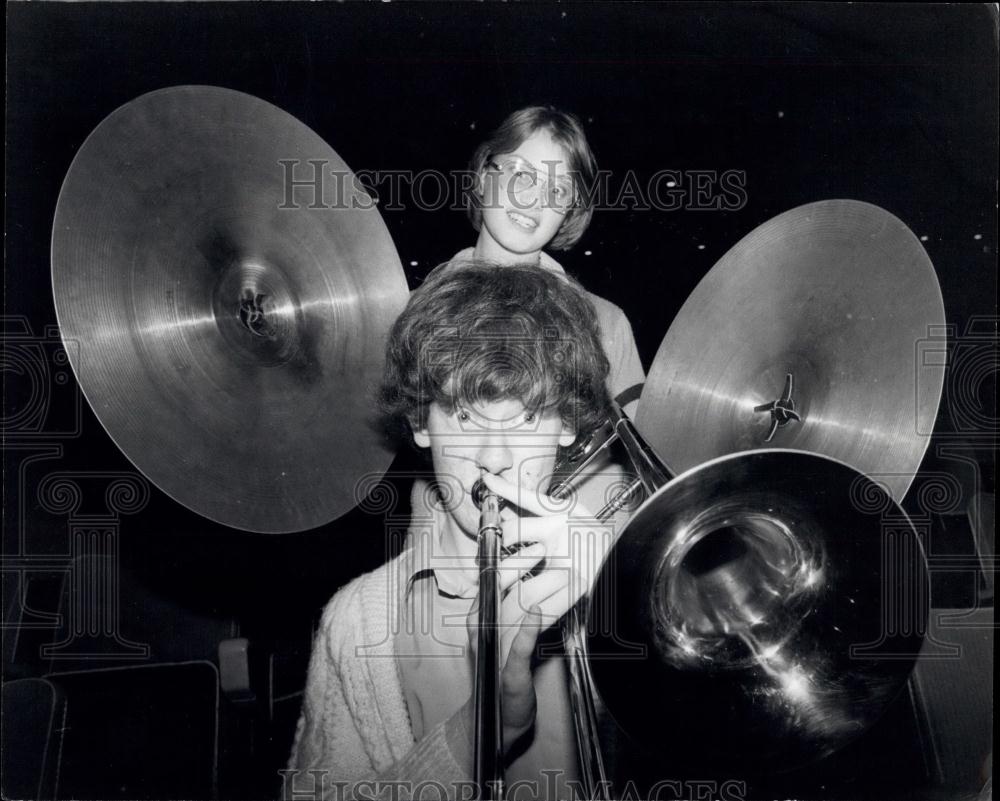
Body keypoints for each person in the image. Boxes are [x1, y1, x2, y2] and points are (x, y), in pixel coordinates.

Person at [285, 262, 618, 800]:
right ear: (421, 423)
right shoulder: (357, 623)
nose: (494, 459)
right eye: (464, 416)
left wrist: (622, 597)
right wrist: (478, 733)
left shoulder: (620, 574)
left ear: (568, 426)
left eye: (529, 416)